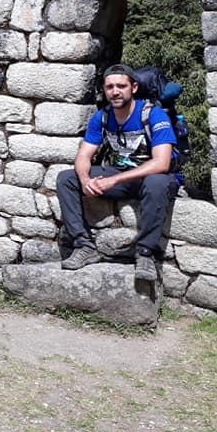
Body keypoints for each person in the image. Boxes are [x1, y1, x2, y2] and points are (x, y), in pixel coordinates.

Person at [57, 63, 179, 282]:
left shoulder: (153, 115)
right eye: (110, 87)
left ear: (133, 87)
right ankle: (84, 246)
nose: (115, 91)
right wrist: (85, 179)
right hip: (121, 176)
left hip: (149, 179)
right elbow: (84, 155)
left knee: (157, 183)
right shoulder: (102, 117)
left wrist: (113, 179)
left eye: (121, 86)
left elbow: (162, 162)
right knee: (67, 179)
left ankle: (145, 253)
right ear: (104, 90)